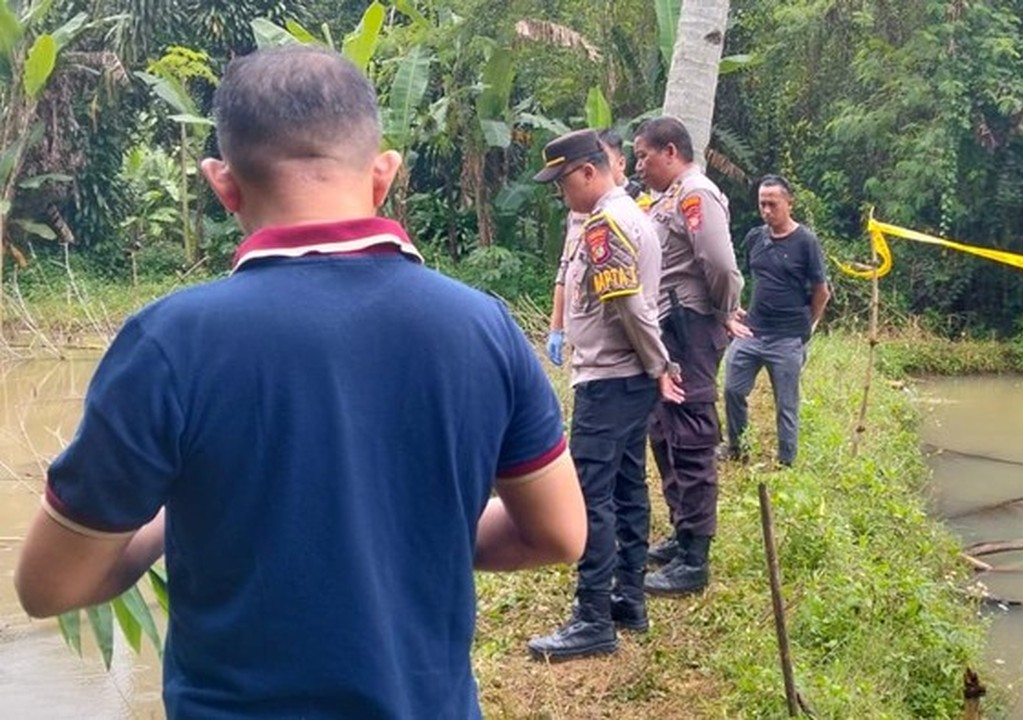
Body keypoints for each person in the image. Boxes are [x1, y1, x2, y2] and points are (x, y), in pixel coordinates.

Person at [14, 46, 586, 718]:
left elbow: (49, 586)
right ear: (384, 175)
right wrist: (412, 531)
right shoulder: (482, 327)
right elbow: (558, 534)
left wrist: (169, 524)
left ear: (222, 184)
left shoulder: (168, 344)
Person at [527, 130, 683, 661]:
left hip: (610, 379)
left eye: (563, 181)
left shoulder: (605, 225)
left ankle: (593, 617)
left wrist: (659, 364)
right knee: (627, 487)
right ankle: (628, 598)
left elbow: (631, 308)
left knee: (589, 494)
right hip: (626, 378)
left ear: (589, 172)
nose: (561, 193)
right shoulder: (630, 216)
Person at [632, 116, 747, 596]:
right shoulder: (668, 198)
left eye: (644, 156)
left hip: (689, 327)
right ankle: (682, 533)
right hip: (669, 327)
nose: (639, 166)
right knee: (665, 433)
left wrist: (722, 312)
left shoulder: (697, 194)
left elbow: (720, 266)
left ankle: (695, 558)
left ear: (671, 152)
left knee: (692, 435)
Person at [723, 175, 831, 467]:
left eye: (773, 204)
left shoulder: (806, 241)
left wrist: (807, 325)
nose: (767, 210)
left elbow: (822, 291)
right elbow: (741, 277)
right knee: (732, 389)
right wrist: (735, 308)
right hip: (752, 332)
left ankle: (786, 462)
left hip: (788, 337)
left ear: (789, 203)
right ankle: (737, 448)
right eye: (762, 204)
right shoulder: (755, 238)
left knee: (786, 403)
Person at [546, 129, 638, 367]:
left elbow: (630, 302)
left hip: (614, 356)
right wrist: (557, 326)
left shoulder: (631, 210)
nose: (562, 193)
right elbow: (566, 267)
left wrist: (656, 362)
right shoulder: (579, 212)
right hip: (587, 348)